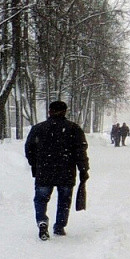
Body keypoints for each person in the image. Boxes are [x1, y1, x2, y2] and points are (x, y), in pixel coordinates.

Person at [25, 101, 90, 240]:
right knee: (64, 200)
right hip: (66, 171)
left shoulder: (38, 129)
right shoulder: (74, 129)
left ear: (49, 111)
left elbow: (29, 149)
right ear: (65, 111)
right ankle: (59, 226)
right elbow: (80, 152)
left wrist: (35, 165)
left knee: (41, 199)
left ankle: (42, 222)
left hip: (44, 170)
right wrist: (83, 169)